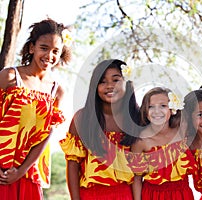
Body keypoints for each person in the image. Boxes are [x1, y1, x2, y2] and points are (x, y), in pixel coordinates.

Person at [0, 18, 72, 200]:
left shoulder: (57, 90)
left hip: (27, 172)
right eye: (44, 48)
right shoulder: (9, 76)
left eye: (56, 51)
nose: (50, 56)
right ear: (32, 47)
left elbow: (47, 135)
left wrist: (21, 171)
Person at [59, 59, 140, 200]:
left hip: (125, 194)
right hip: (90, 195)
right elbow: (73, 165)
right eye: (102, 81)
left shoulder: (136, 119)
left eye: (116, 80)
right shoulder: (83, 118)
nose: (109, 86)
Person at [129, 87, 196, 200]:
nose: (157, 111)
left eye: (163, 106)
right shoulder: (141, 141)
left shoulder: (181, 132)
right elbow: (137, 179)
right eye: (151, 107)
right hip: (154, 195)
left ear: (172, 109)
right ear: (145, 112)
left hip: (182, 193)